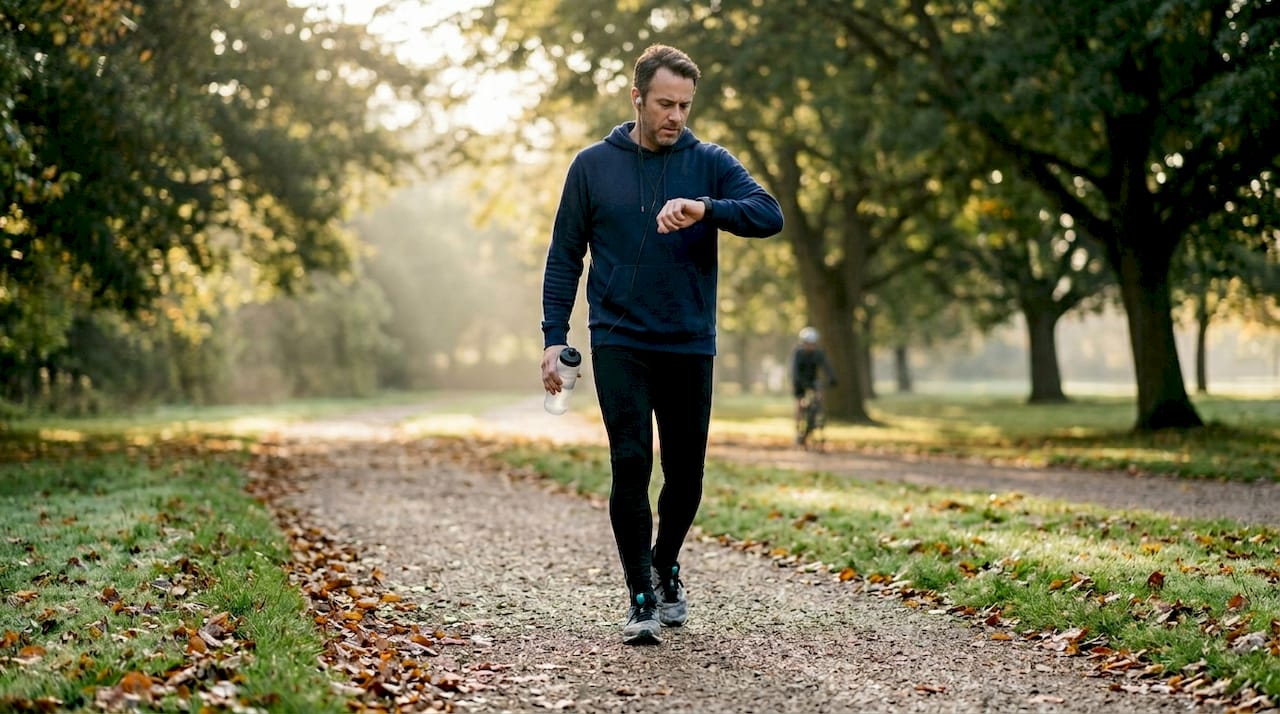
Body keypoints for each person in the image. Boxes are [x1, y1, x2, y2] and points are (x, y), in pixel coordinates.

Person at [540, 44, 784, 645]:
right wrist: (554, 338)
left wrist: (706, 208)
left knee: (686, 475)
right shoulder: (593, 166)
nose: (676, 116)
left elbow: (768, 213)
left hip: (688, 341)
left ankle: (665, 559)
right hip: (619, 338)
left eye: (684, 105)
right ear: (637, 99)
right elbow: (564, 257)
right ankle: (639, 595)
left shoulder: (710, 161)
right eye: (665, 104)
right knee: (630, 461)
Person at [791, 326, 837, 443]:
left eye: (813, 343)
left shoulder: (818, 353)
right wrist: (799, 383)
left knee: (818, 397)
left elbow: (826, 366)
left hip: (812, 380)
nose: (811, 346)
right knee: (800, 403)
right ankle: (798, 429)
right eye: (808, 343)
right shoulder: (798, 353)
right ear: (803, 343)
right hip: (799, 381)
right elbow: (795, 371)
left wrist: (832, 378)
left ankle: (817, 420)